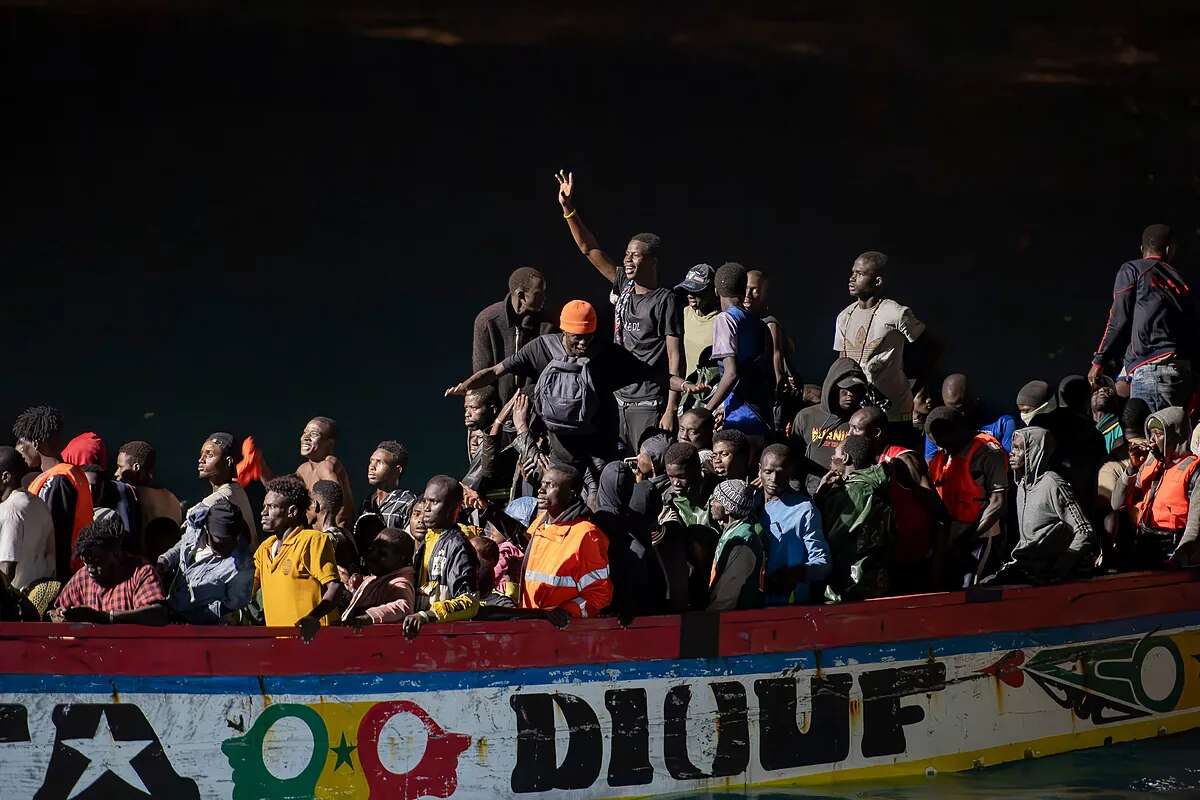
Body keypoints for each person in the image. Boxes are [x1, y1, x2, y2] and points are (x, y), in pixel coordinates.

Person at [446, 299, 698, 497]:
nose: (583, 343)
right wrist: (465, 386)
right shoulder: (541, 348)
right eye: (577, 336)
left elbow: (652, 375)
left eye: (588, 336)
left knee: (599, 506)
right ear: (563, 329)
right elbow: (496, 371)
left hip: (599, 451)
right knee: (557, 505)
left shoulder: (607, 354)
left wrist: (684, 384)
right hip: (559, 452)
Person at [556, 170, 685, 443]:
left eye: (635, 255)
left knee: (644, 467)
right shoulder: (623, 284)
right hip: (616, 396)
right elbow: (588, 249)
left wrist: (671, 408)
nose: (627, 259)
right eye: (626, 254)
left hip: (648, 402)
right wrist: (569, 210)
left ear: (652, 262)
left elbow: (675, 356)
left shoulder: (665, 299)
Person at [1090, 224, 1196, 412]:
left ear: (1142, 249)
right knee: (1174, 438)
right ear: (1170, 249)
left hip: (1151, 370)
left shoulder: (1132, 269)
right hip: (1184, 372)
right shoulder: (1183, 280)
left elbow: (1117, 319)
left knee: (1147, 438)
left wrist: (1099, 360)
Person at [986, 427, 1097, 585]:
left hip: (1045, 571)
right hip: (1025, 564)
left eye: (1019, 448)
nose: (1012, 453)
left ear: (1034, 452)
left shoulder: (1052, 483)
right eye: (1013, 448)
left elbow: (1085, 531)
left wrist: (1061, 567)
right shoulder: (1022, 485)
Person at [834, 252, 928, 435]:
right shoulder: (844, 316)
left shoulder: (896, 313)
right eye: (852, 272)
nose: (852, 278)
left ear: (877, 281)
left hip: (893, 412)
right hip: (857, 412)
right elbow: (841, 361)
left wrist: (915, 388)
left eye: (860, 273)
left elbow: (929, 348)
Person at [849, 407, 942, 588]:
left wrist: (938, 563)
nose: (849, 434)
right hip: (885, 558)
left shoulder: (904, 461)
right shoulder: (864, 462)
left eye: (856, 429)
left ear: (876, 433)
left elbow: (938, 512)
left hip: (912, 559)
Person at [926, 407, 1009, 587]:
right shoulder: (942, 456)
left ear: (958, 431)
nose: (943, 448)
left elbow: (998, 502)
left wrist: (969, 538)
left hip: (980, 534)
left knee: (973, 588)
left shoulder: (988, 452)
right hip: (950, 535)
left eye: (945, 442)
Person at [253, 475, 342, 639]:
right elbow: (247, 592)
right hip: (280, 645)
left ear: (292, 511)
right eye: (264, 506)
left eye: (271, 507)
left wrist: (312, 617)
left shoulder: (312, 540)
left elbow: (335, 588)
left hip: (315, 641)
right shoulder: (263, 549)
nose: (263, 512)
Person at [521, 464, 612, 621]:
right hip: (532, 627)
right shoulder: (539, 525)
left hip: (564, 633)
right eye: (542, 484)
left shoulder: (586, 535)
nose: (541, 490)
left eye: (550, 485)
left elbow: (599, 595)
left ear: (571, 494)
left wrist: (564, 613)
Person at [1112, 406, 1200, 567]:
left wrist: (1180, 557)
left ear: (1175, 436)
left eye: (1159, 434)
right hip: (1142, 544)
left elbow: (1195, 525)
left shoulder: (1193, 470)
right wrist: (1131, 469)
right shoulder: (1149, 464)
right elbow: (1117, 503)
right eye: (1150, 433)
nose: (1151, 440)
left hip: (1170, 549)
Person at [813, 435, 895, 601]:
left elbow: (829, 537)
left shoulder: (854, 492)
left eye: (835, 453)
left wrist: (820, 499)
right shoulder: (873, 485)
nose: (831, 458)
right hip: (875, 579)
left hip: (851, 584)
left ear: (845, 457)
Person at [15, 406, 93, 579]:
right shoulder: (71, 473)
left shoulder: (58, 480)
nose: (20, 452)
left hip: (60, 577)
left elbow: (56, 537)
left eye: (22, 445)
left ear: (36, 442)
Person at [49, 516, 168, 625]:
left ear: (116, 554)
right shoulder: (82, 577)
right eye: (86, 562)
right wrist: (62, 615)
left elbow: (158, 614)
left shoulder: (141, 572)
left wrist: (105, 617)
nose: (91, 569)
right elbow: (55, 612)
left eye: (97, 561)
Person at [403, 476, 480, 638]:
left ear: (454, 508)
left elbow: (470, 602)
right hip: (421, 637)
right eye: (425, 501)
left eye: (434, 502)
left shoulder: (458, 547)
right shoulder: (425, 540)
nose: (426, 508)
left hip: (447, 639)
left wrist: (428, 616)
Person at [157, 496, 255, 623]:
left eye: (232, 540)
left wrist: (190, 618)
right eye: (221, 540)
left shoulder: (241, 569)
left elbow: (229, 607)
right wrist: (166, 559)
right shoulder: (195, 530)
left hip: (202, 630)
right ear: (207, 531)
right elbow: (184, 544)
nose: (229, 545)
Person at [1015, 379, 1107, 510]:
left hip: (1044, 502)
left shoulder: (1040, 423)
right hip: (1082, 502)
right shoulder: (1093, 432)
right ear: (1088, 399)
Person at [705, 262, 773, 437]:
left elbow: (731, 374)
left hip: (741, 415)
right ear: (744, 290)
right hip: (762, 413)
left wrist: (706, 411)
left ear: (716, 291)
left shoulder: (725, 320)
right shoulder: (759, 324)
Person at [758, 444, 831, 605]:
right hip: (751, 602)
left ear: (790, 473)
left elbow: (822, 562)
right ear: (760, 470)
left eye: (780, 473)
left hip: (789, 604)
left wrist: (794, 573)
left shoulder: (804, 509)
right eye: (768, 472)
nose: (773, 479)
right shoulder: (751, 502)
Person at [472, 266, 555, 406]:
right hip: (497, 410)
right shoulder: (487, 321)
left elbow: (548, 374)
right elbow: (482, 374)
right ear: (521, 295)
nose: (544, 298)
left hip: (534, 407)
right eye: (538, 294)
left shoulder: (547, 324)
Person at [792, 358, 868, 494]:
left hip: (845, 495)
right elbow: (793, 460)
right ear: (832, 388)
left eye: (855, 390)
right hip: (809, 491)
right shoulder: (806, 417)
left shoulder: (861, 422)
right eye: (845, 389)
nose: (850, 394)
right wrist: (796, 491)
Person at [746, 269, 800, 428]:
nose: (748, 294)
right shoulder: (746, 320)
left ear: (764, 293)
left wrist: (777, 388)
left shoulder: (769, 323)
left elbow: (777, 355)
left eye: (754, 290)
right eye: (745, 288)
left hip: (769, 395)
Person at [923, 373, 1019, 458]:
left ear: (974, 399)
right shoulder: (937, 424)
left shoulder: (1002, 422)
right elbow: (933, 465)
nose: (958, 415)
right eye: (952, 409)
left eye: (961, 408)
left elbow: (1009, 463)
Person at [0, 446, 55, 591]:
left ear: (6, 477)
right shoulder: (39, 504)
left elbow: (6, 570)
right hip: (40, 598)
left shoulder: (10, 511)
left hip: (16, 603)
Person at [706, 479, 765, 611]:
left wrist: (711, 619)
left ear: (727, 508)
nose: (711, 503)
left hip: (735, 620)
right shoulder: (731, 532)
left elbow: (728, 592)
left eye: (715, 499)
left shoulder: (743, 542)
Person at [341, 528, 417, 626]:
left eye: (382, 553)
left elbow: (403, 606)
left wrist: (368, 617)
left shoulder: (400, 583)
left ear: (401, 558)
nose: (373, 555)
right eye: (371, 549)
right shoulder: (378, 578)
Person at [194, 433, 258, 547]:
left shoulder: (215, 500)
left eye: (209, 454)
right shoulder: (237, 490)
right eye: (201, 454)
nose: (201, 459)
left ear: (228, 461)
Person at [353, 440, 418, 552]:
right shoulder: (367, 502)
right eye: (371, 461)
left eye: (380, 462)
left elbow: (412, 543)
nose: (372, 467)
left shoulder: (408, 502)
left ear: (398, 470)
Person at [295, 416, 355, 529]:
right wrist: (262, 471)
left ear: (330, 443)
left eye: (314, 434)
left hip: (333, 538)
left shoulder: (328, 464)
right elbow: (283, 495)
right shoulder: (302, 469)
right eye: (305, 433)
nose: (306, 438)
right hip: (314, 537)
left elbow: (333, 501)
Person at [115, 440, 183, 538]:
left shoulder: (132, 496)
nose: (116, 473)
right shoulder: (172, 498)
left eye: (120, 467)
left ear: (136, 467)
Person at [462, 387, 510, 502]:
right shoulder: (482, 430)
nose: (467, 414)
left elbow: (476, 480)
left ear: (493, 409)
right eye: (466, 408)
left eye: (474, 408)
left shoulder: (504, 436)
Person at [676, 264, 720, 377]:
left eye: (696, 290)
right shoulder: (685, 313)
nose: (690, 295)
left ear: (712, 291)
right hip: (687, 390)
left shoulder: (721, 321)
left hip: (710, 392)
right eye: (687, 289)